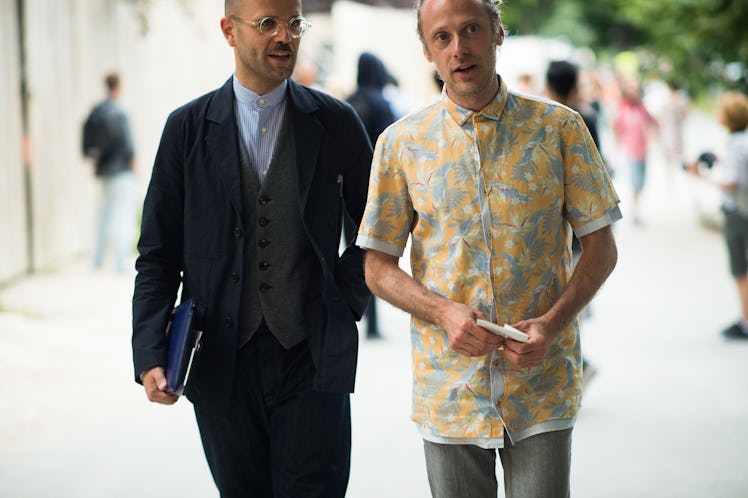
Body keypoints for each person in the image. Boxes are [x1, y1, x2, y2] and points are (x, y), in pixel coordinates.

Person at [356, 0, 620, 497]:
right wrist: (443, 313)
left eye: (471, 29)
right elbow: (377, 267)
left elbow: (602, 247)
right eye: (442, 37)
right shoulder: (400, 143)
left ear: (498, 32)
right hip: (449, 388)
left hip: (540, 383)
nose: (459, 48)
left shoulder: (560, 130)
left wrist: (552, 323)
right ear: (427, 50)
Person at [131, 0, 372, 496]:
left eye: (294, 24)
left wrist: (343, 300)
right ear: (228, 30)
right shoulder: (186, 129)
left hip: (311, 357)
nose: (284, 36)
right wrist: (150, 348)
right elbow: (158, 252)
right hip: (219, 359)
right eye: (267, 24)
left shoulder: (336, 122)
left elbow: (377, 228)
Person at [545, 59, 602, 385]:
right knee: (569, 302)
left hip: (562, 228)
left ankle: (576, 364)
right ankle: (577, 363)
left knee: (563, 302)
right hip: (583, 224)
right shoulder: (586, 117)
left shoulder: (552, 121)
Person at [686, 91, 748, 339]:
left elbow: (731, 184)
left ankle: (745, 321)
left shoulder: (735, 145)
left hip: (737, 212)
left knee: (740, 268)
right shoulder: (743, 140)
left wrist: (702, 176)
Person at [346, 52, 398, 339]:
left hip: (347, 190)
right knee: (376, 255)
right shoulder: (381, 102)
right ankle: (373, 323)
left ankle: (355, 311)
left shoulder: (350, 102)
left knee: (352, 249)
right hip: (377, 192)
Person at [82, 72, 136, 272]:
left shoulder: (97, 111)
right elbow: (129, 145)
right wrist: (135, 167)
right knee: (122, 215)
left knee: (103, 214)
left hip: (103, 171)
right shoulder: (120, 112)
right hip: (121, 172)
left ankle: (97, 258)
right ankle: (121, 262)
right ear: (118, 86)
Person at [613, 77, 657, 225]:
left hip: (643, 150)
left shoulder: (641, 108)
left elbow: (652, 121)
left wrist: (654, 137)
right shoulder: (623, 108)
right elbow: (616, 126)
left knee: (642, 182)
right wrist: (618, 144)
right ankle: (634, 211)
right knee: (635, 182)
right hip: (630, 151)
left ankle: (636, 208)